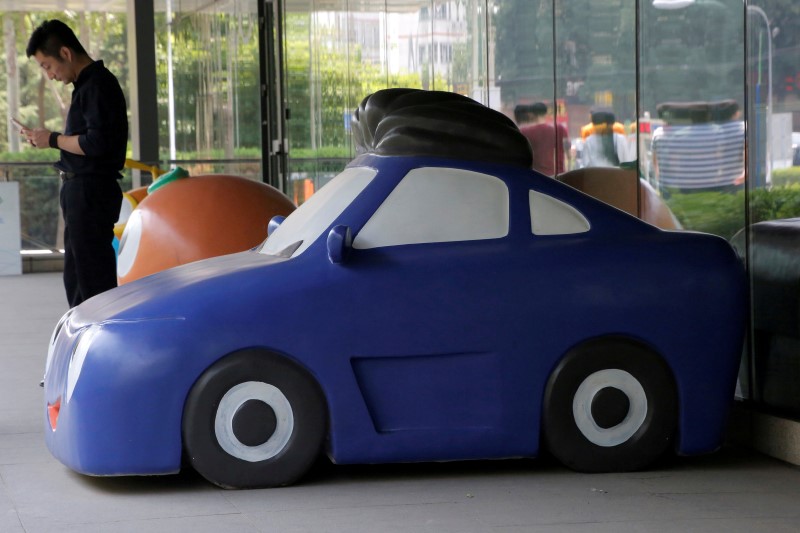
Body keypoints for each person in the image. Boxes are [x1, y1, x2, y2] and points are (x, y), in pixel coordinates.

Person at [22, 19, 127, 307]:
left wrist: (53, 139)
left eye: (47, 66)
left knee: (92, 283)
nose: (49, 75)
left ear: (65, 54)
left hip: (90, 193)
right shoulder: (86, 86)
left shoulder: (98, 85)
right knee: (80, 279)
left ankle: (97, 344)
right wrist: (46, 139)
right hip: (84, 193)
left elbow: (96, 143)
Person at [651, 100, 745, 192]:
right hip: (714, 182)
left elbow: (666, 160)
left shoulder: (671, 134)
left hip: (684, 183)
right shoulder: (718, 132)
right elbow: (719, 156)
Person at [515, 103, 569, 176]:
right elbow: (565, 149)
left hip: (535, 174)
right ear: (546, 113)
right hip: (554, 173)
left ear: (531, 114)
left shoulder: (525, 131)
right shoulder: (557, 129)